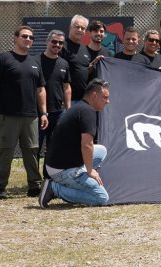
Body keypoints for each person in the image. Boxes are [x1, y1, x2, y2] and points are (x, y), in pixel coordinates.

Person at [0, 26, 48, 200]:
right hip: (9, 115)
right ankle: (0, 188)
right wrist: (0, 97)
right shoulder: (3, 59)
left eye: (31, 37)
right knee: (6, 151)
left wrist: (43, 113)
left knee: (32, 151)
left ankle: (34, 186)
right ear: (15, 38)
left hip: (31, 116)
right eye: (24, 36)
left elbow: (41, 89)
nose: (28, 40)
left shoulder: (35, 62)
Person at [39, 79, 112, 208]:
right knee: (101, 197)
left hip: (56, 162)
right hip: (61, 170)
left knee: (102, 150)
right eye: (105, 97)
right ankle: (53, 188)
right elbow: (87, 145)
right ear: (94, 96)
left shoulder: (80, 107)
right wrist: (90, 171)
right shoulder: (88, 112)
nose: (108, 101)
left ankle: (80, 178)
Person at [38, 29, 71, 159]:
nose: (57, 45)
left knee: (53, 149)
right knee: (35, 148)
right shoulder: (36, 61)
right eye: (54, 42)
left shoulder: (64, 63)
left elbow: (67, 87)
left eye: (60, 43)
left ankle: (48, 172)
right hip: (37, 113)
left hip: (57, 112)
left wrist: (68, 110)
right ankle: (34, 173)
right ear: (47, 42)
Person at [61, 15, 92, 101]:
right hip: (66, 100)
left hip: (83, 99)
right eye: (77, 27)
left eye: (83, 28)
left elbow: (83, 70)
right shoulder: (62, 46)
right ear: (70, 27)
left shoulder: (85, 49)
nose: (80, 30)